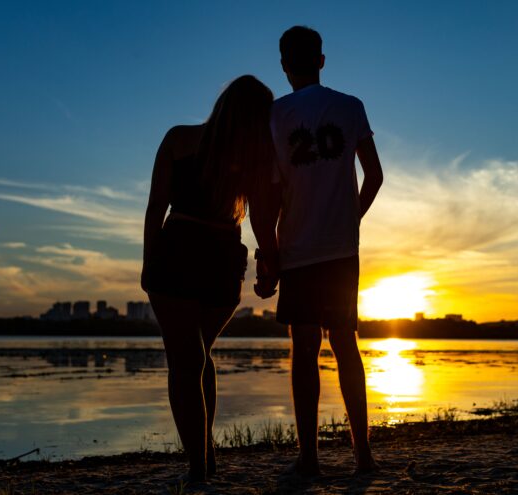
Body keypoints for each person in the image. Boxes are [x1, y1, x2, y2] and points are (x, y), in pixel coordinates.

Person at [251, 26, 384, 476]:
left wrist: (268, 255)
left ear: (285, 65)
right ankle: (362, 455)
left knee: (304, 351)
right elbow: (376, 176)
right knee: (346, 345)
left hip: (298, 250)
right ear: (322, 61)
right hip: (342, 249)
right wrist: (352, 218)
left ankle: (309, 458)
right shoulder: (350, 107)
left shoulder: (275, 115)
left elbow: (267, 197)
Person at [141, 75, 275, 482]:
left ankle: (198, 467)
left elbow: (154, 210)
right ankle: (206, 454)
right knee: (197, 357)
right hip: (219, 259)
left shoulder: (180, 139)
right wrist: (270, 264)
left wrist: (150, 264)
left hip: (184, 253)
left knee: (187, 361)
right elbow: (264, 220)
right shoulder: (252, 155)